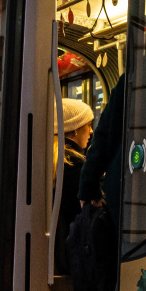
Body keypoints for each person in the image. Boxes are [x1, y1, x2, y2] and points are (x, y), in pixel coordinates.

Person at [75, 78, 127, 291]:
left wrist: (89, 188)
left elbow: (105, 136)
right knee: (139, 274)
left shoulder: (135, 73)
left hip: (127, 184)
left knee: (134, 272)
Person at [54, 96, 94, 273]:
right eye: (88, 125)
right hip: (72, 251)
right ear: (75, 130)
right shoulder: (75, 165)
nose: (91, 131)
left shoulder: (56, 159)